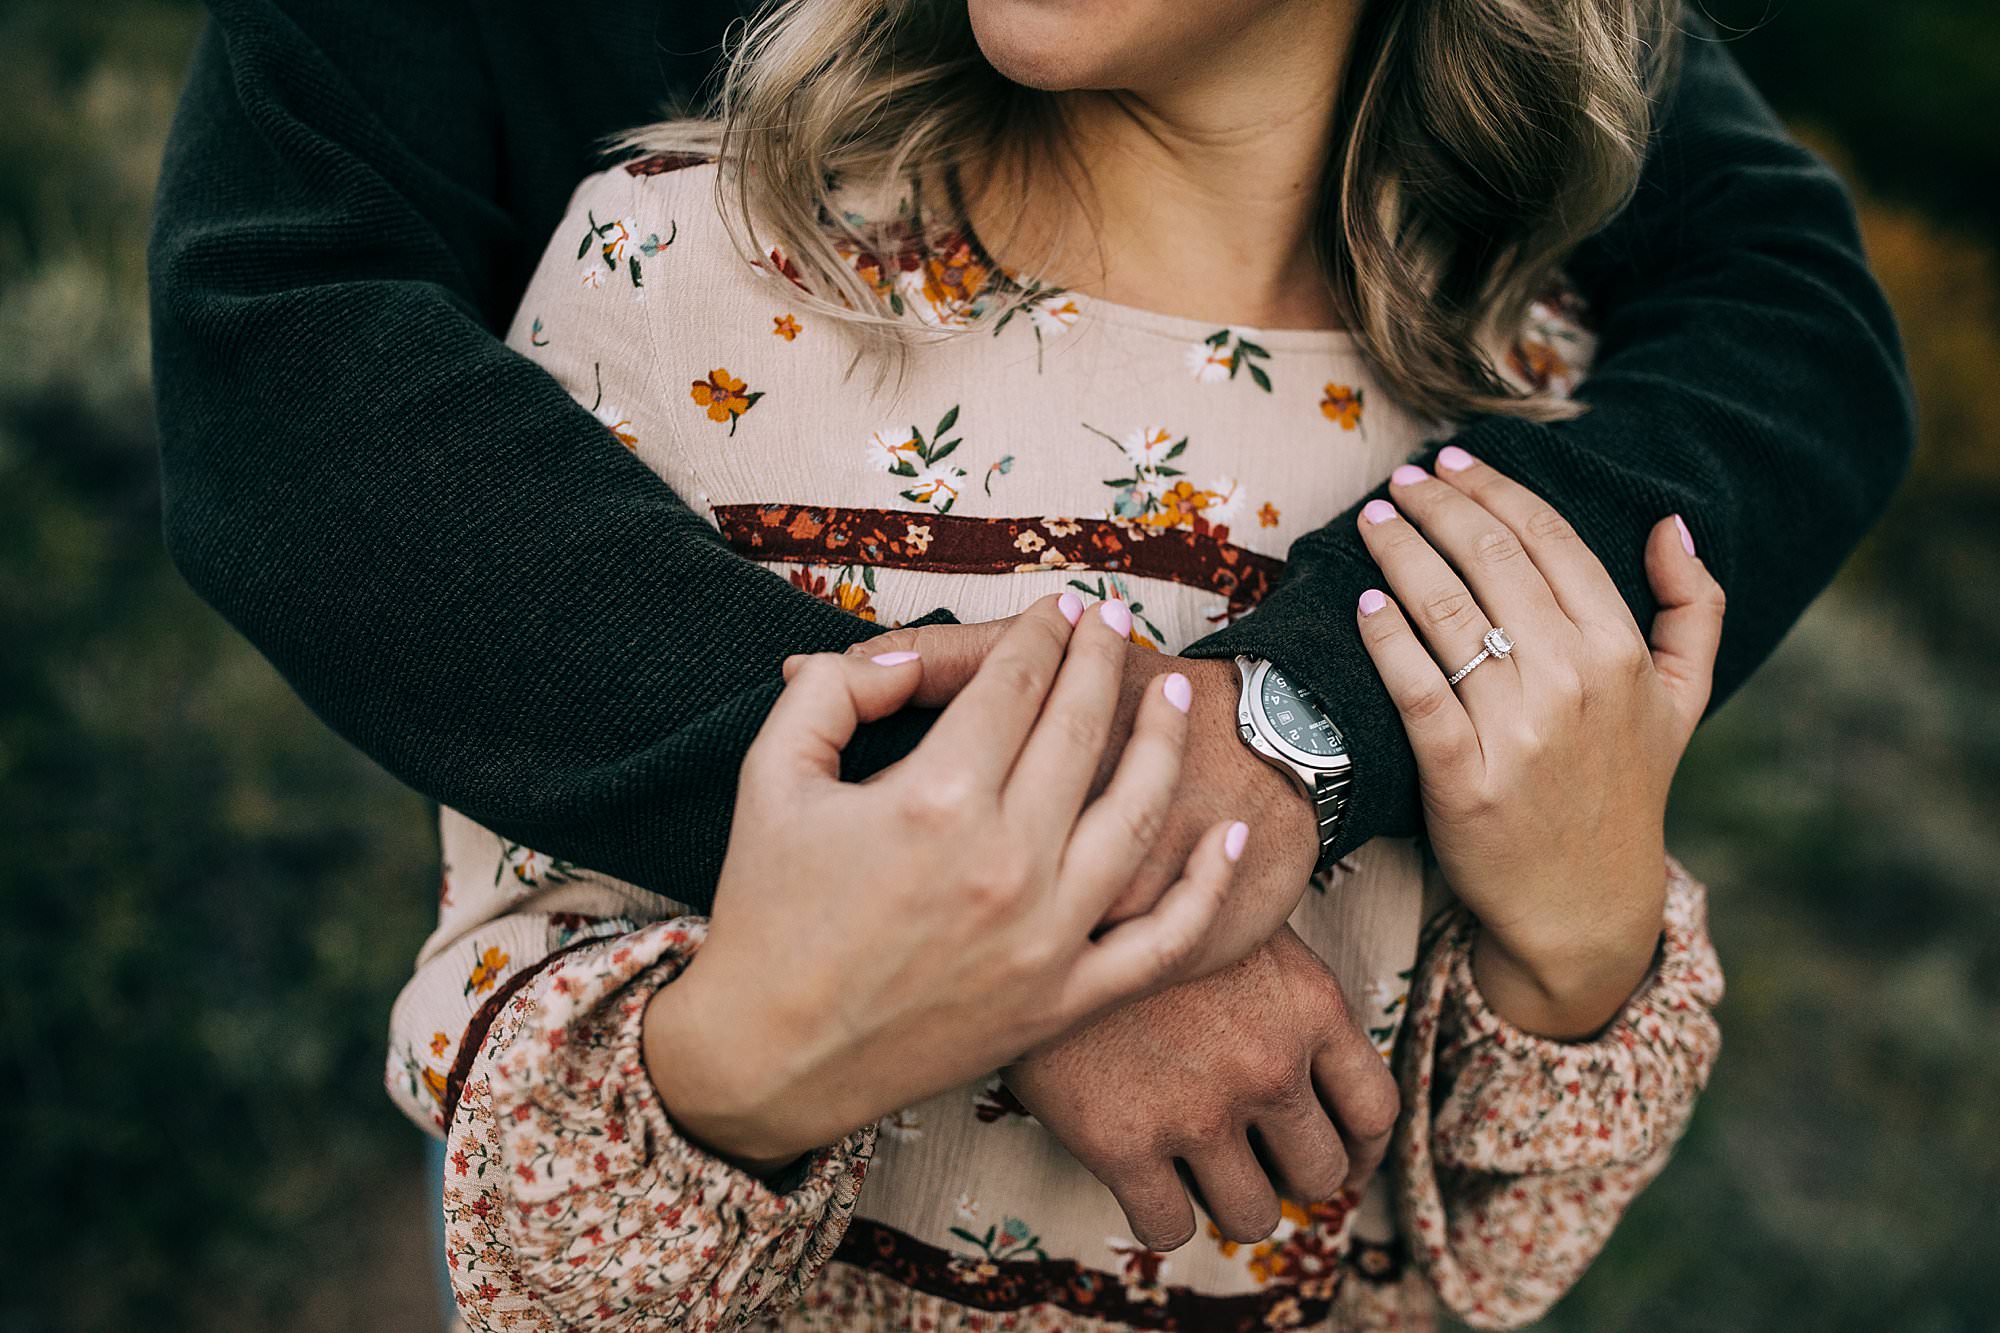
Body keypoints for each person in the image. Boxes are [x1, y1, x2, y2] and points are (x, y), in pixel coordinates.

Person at [375, 0, 1743, 1323]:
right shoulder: (688, 275)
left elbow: (1500, 1260)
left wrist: (1584, 945)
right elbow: (523, 1224)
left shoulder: (1524, 413)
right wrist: (949, 978)